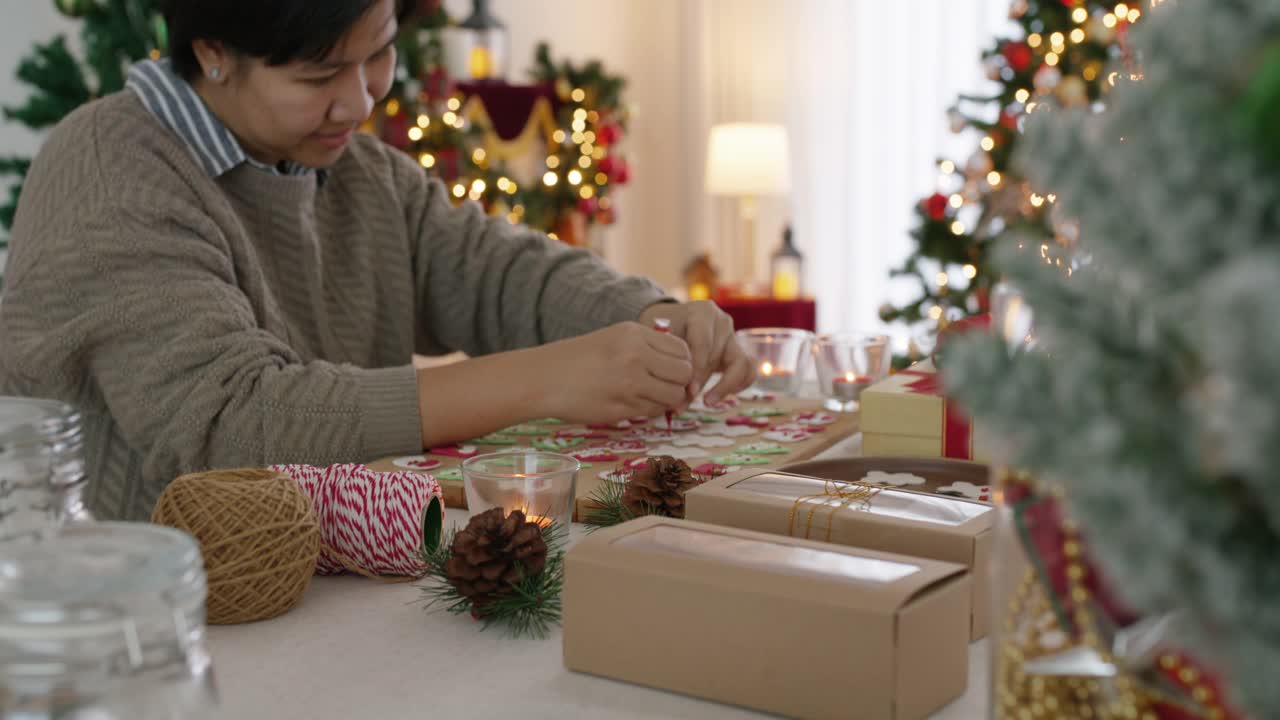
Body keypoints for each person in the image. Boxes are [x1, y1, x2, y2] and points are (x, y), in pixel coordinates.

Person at [0, 0, 754, 521]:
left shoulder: (357, 171)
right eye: (319, 75)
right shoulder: (109, 167)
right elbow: (230, 425)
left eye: (380, 55)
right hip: (135, 618)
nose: (360, 101)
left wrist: (649, 317)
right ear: (213, 54)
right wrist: (545, 378)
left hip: (309, 581)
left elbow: (495, 273)